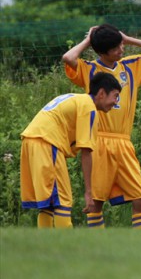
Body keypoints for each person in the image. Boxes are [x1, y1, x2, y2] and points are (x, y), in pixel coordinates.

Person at [62, 24, 141, 229]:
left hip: (124, 143)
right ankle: (98, 251)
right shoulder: (89, 69)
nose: (121, 50)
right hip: (99, 143)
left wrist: (128, 39)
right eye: (116, 48)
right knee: (96, 203)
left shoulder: (131, 66)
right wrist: (88, 39)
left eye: (121, 46)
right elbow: (68, 58)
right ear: (102, 52)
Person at [19, 73, 121, 228]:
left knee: (48, 203)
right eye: (115, 96)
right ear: (101, 93)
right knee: (62, 201)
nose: (115, 102)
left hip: (31, 142)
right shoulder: (89, 108)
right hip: (47, 143)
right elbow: (86, 152)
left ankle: (44, 247)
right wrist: (88, 192)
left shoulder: (76, 98)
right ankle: (66, 247)